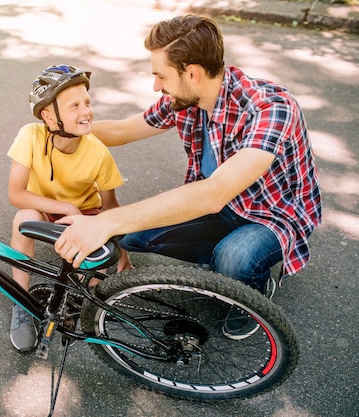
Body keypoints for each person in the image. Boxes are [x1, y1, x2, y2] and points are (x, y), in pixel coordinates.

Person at [53, 15, 322, 340]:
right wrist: (59, 127)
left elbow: (214, 192)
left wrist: (106, 221)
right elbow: (124, 130)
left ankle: (253, 284)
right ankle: (222, 264)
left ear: (192, 73)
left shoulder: (271, 109)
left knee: (233, 258)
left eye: (160, 75)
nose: (156, 86)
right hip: (221, 204)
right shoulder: (185, 99)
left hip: (271, 216)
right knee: (133, 237)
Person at [7, 64, 132, 352]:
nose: (86, 111)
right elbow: (16, 193)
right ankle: (21, 302)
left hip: (85, 216)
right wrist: (65, 207)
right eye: (74, 105)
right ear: (49, 116)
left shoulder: (98, 153)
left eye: (87, 102)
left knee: (95, 280)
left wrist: (125, 254)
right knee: (22, 219)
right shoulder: (30, 135)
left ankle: (74, 292)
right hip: (44, 209)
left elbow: (111, 207)